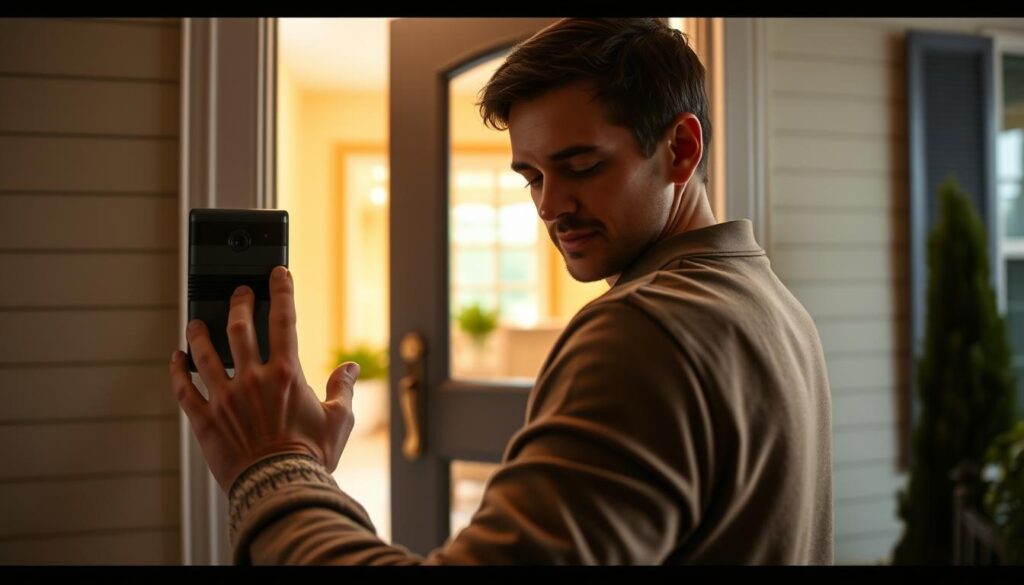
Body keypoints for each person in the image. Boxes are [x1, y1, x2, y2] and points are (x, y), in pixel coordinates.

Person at [169, 17, 833, 565]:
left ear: (681, 149)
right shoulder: (772, 303)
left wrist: (274, 465)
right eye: (532, 177)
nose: (550, 205)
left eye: (581, 165)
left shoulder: (641, 333)